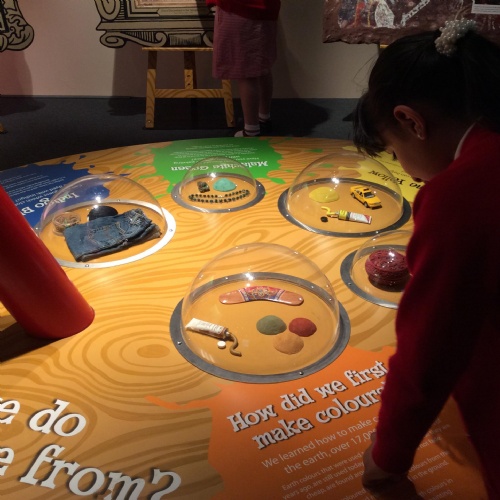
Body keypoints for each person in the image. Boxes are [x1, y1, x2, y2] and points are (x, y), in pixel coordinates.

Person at [352, 19, 500, 498]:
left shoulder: (460, 194)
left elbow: (430, 349)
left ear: (412, 122)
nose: (406, 169)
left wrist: (387, 458)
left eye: (394, 152)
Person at [207, 0, 281, 136]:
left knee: (246, 72)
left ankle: (251, 129)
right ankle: (264, 118)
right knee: (262, 67)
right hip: (267, 9)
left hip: (239, 8)